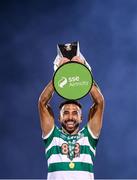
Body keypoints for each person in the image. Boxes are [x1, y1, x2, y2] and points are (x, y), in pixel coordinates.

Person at [38, 55, 105, 180]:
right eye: (66, 112)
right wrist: (59, 74)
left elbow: (99, 101)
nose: (70, 117)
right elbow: (42, 102)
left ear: (81, 118)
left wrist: (83, 71)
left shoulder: (88, 137)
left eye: (75, 113)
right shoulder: (52, 136)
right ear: (59, 117)